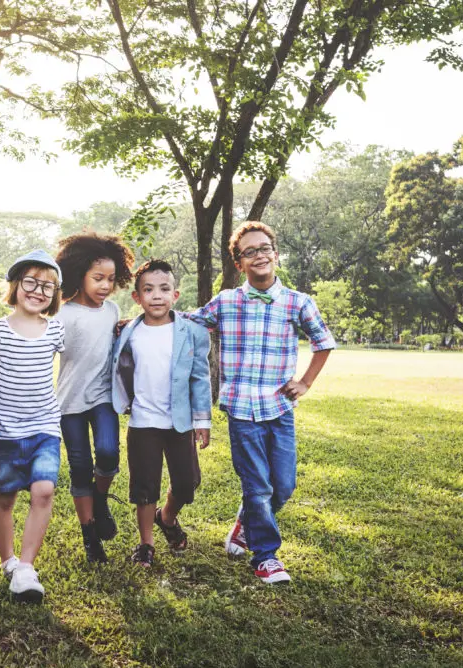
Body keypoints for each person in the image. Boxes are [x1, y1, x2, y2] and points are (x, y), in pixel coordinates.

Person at [187, 221, 335, 584]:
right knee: (258, 485)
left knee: (282, 486)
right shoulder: (226, 301)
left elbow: (323, 342)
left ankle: (245, 522)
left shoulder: (298, 302)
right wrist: (140, 319)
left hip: (279, 409)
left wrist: (305, 382)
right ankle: (266, 556)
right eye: (249, 251)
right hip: (241, 409)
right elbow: (186, 322)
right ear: (239, 263)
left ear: (276, 254)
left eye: (264, 248)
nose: (259, 255)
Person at [0, 249, 65, 603]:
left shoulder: (55, 330)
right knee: (6, 497)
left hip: (45, 427)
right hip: (5, 431)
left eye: (48, 287)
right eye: (31, 283)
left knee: (44, 490)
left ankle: (26, 567)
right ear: (15, 286)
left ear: (55, 295)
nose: (38, 291)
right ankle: (8, 561)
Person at [111, 260, 212, 567]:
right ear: (137, 297)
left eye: (164, 289)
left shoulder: (191, 331)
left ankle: (166, 518)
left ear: (175, 295)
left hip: (178, 421)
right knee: (145, 485)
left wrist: (203, 420)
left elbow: (200, 376)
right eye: (148, 290)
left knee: (186, 482)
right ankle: (145, 544)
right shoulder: (127, 331)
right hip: (143, 421)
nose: (157, 296)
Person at [54, 231, 135, 563]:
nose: (105, 286)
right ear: (80, 275)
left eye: (111, 279)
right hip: (69, 403)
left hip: (103, 397)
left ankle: (100, 500)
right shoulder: (63, 314)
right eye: (97, 278)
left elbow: (116, 340)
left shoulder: (112, 310)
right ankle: (90, 537)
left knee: (107, 454)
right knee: (79, 467)